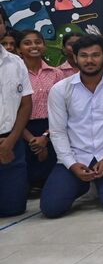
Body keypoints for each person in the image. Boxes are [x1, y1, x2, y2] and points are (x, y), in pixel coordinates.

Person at [42, 35, 103, 218]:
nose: (90, 60)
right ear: (75, 58)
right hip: (75, 156)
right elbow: (58, 132)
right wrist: (71, 164)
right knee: (51, 209)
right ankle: (81, 184)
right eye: (84, 55)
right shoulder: (60, 90)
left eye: (95, 55)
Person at [17, 30, 63, 192]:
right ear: (19, 49)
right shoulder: (15, 74)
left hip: (53, 128)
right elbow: (12, 110)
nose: (34, 46)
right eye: (27, 43)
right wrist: (32, 140)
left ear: (44, 45)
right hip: (22, 129)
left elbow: (64, 108)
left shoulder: (56, 74)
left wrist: (45, 137)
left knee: (52, 179)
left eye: (38, 42)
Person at [0, 33, 32, 217]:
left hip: (12, 141)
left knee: (14, 209)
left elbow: (26, 104)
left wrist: (11, 141)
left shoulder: (15, 62)